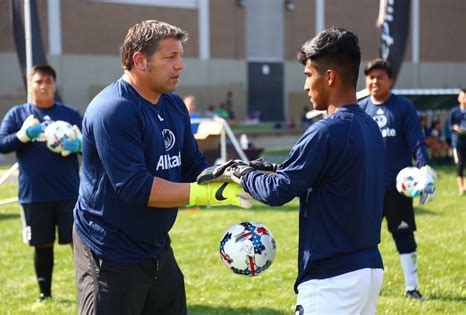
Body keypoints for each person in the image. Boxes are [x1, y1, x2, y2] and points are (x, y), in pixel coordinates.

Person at [199, 28, 386, 314]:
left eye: (308, 75)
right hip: (368, 269)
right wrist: (267, 170)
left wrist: (239, 172)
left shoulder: (326, 131)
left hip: (332, 280)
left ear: (330, 77)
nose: (305, 86)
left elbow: (279, 190)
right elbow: (315, 176)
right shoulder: (369, 126)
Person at [72, 20, 251, 315]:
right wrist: (205, 195)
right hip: (109, 250)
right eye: (170, 57)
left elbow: (192, 164)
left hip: (155, 247)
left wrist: (233, 176)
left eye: (181, 56)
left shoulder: (173, 105)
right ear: (139, 60)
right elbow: (135, 187)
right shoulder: (113, 110)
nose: (180, 65)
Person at [0, 64, 83, 305]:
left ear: (55, 85)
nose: (43, 86)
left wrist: (80, 145)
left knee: (79, 244)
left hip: (69, 193)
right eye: (38, 81)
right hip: (34, 195)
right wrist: (24, 135)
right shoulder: (17, 114)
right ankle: (45, 295)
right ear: (30, 85)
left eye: (48, 82)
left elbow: (94, 147)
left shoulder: (70, 114)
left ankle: (88, 291)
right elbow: (1, 144)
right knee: (42, 245)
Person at [359, 58, 437, 300]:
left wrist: (424, 168)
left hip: (398, 189)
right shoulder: (360, 109)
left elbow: (416, 141)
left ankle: (411, 287)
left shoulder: (404, 107)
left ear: (390, 80)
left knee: (403, 235)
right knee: (362, 240)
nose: (374, 81)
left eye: (379, 76)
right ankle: (362, 288)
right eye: (370, 77)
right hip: (368, 190)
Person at [448, 88, 466, 195]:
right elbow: (450, 126)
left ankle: (465, 186)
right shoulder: (454, 112)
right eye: (463, 96)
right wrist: (456, 128)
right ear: (459, 98)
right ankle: (461, 188)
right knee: (460, 164)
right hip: (458, 142)